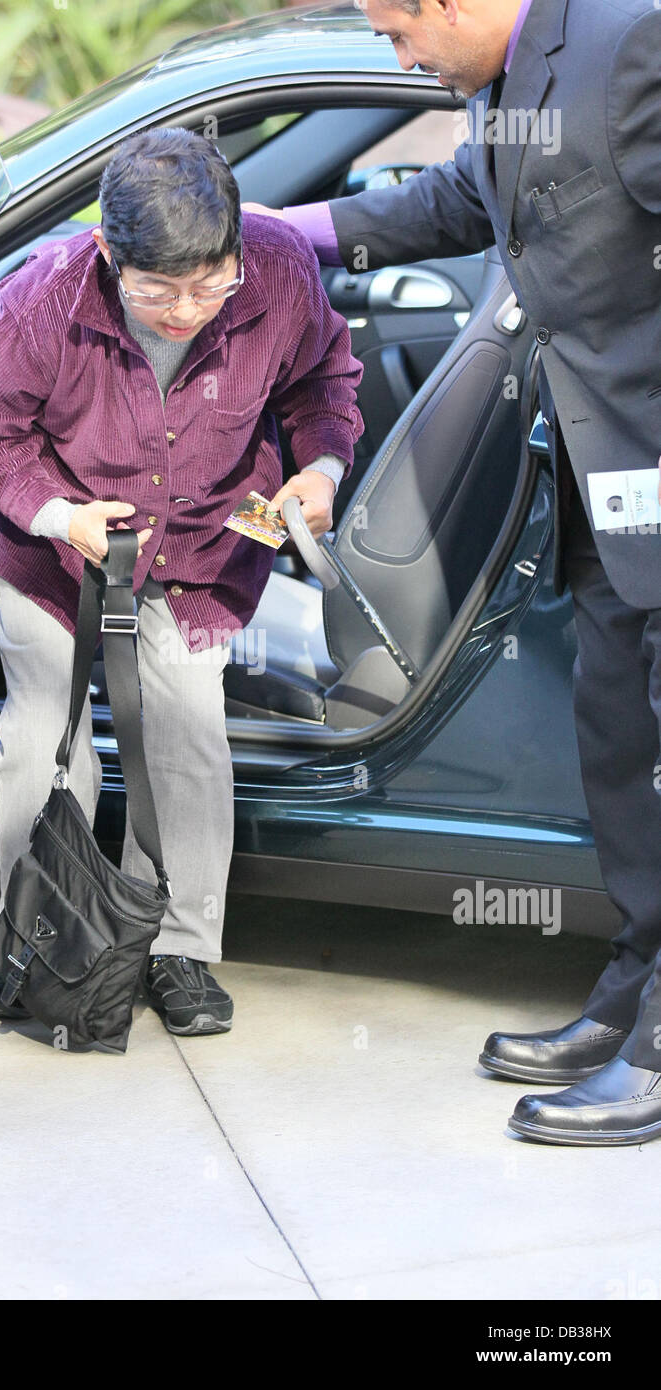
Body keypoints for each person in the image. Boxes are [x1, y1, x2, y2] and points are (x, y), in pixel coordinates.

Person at [248, 0, 661, 1144]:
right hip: (605, 486)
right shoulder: (505, 86)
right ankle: (630, 995)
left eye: (398, 32)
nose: (401, 57)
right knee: (621, 739)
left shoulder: (634, 43)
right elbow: (451, 203)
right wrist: (282, 232)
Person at [0, 127, 364, 1037]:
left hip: (205, 550)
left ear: (240, 248)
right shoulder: (44, 302)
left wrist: (320, 469)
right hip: (55, 553)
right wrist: (56, 514)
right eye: (157, 289)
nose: (186, 311)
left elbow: (323, 381)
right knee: (44, 741)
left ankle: (181, 950)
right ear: (106, 253)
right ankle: (42, 939)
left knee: (189, 741)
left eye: (210, 286)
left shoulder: (278, 271)